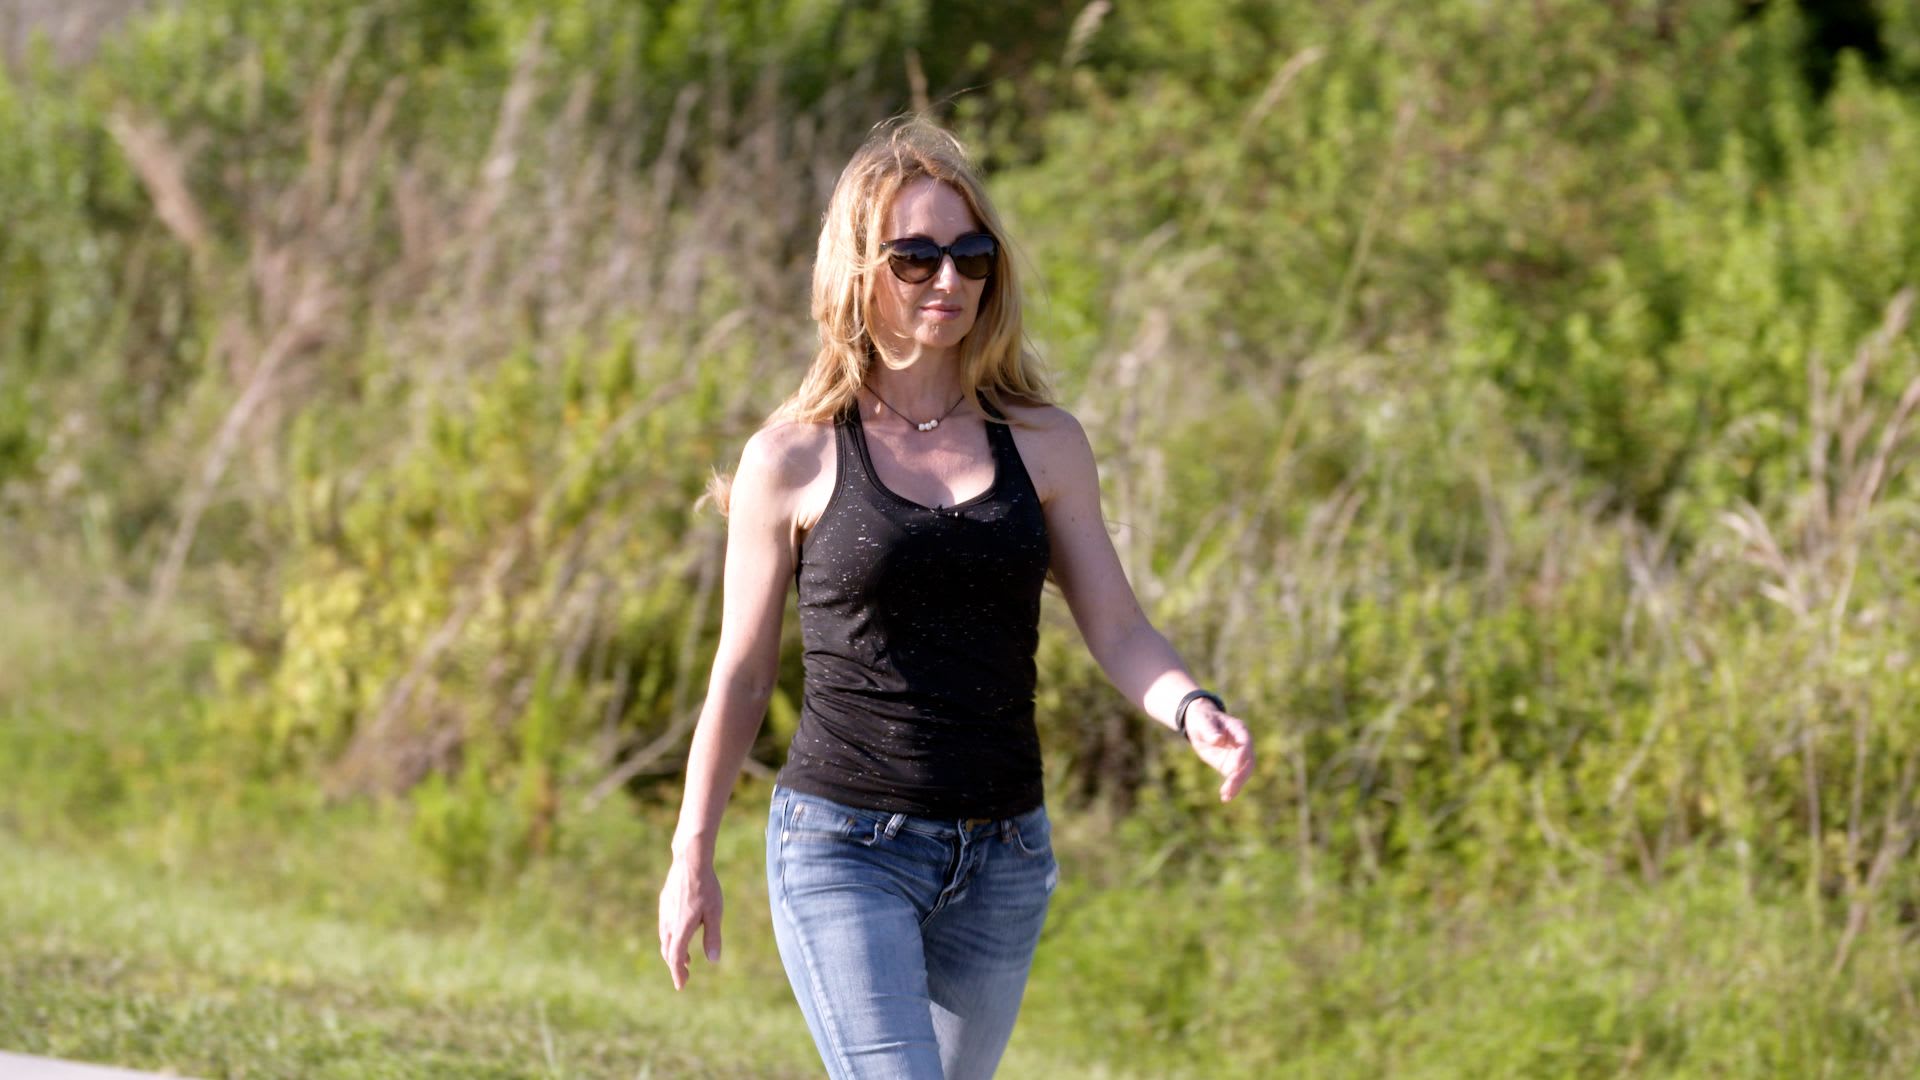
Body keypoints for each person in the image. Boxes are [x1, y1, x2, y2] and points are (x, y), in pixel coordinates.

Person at [657, 116, 1255, 1080]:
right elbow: (743, 672)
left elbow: (1117, 627)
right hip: (845, 844)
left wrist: (1193, 709)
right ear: (857, 270)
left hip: (1005, 855)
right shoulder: (794, 457)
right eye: (916, 257)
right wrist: (693, 851)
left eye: (971, 256)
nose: (949, 279)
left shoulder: (1046, 443)